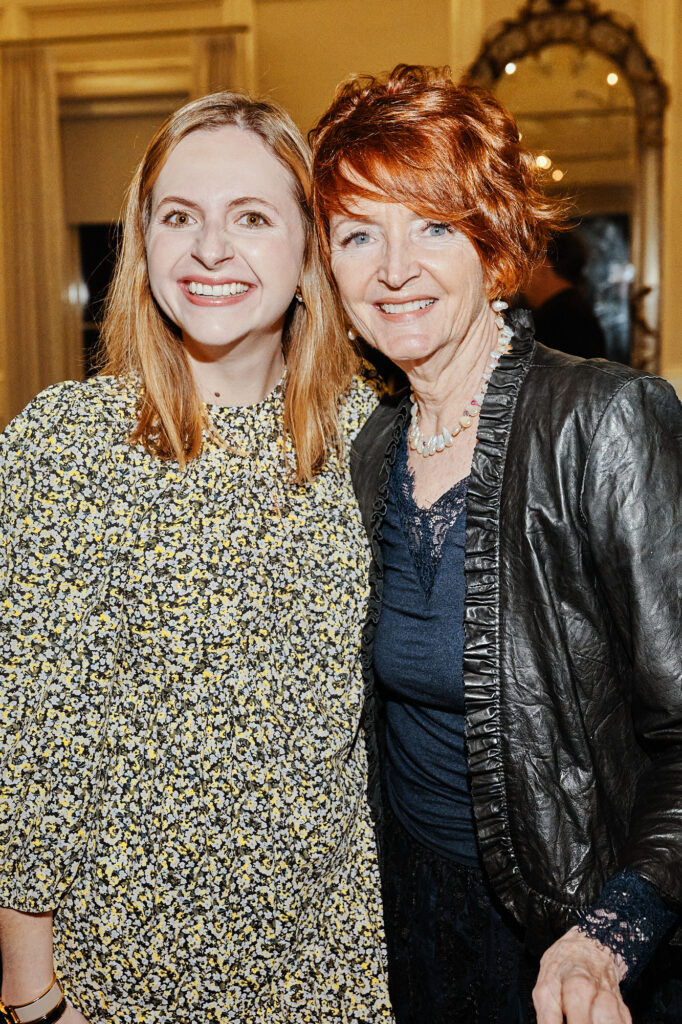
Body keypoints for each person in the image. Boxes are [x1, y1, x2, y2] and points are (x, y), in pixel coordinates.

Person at [0, 91, 393, 1024]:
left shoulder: (375, 441)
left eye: (252, 218)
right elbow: (27, 743)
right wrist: (31, 992)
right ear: (147, 248)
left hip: (335, 966)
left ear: (309, 257)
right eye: (181, 218)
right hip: (120, 974)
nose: (211, 249)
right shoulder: (65, 445)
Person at [310, 64, 682, 1024]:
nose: (395, 269)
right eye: (359, 234)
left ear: (495, 243)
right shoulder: (371, 446)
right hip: (403, 923)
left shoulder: (604, 421)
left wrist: (612, 934)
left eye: (433, 225)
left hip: (568, 938)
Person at [523, 230, 607, 359]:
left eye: (526, 265)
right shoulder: (575, 309)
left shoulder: (558, 318)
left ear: (542, 265)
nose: (519, 279)